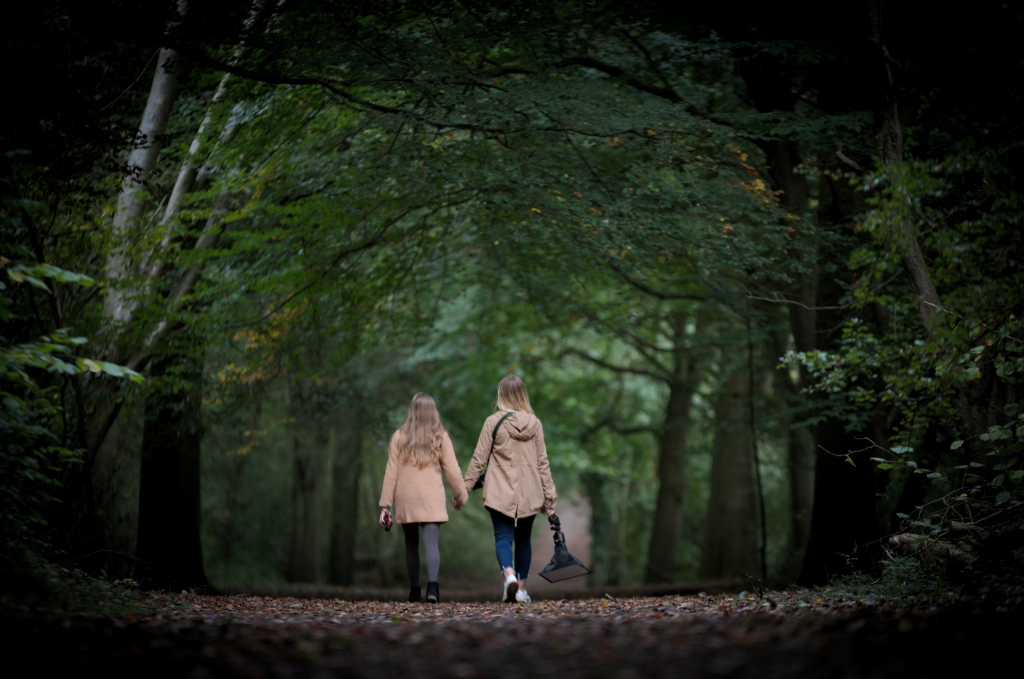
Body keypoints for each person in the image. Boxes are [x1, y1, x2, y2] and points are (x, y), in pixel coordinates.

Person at [464, 375, 557, 603]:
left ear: (501, 395)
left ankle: (509, 576)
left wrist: (463, 489)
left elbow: (478, 459)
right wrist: (550, 497)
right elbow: (543, 463)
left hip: (499, 490)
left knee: (503, 537)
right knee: (524, 540)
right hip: (530, 492)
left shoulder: (493, 422)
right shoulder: (535, 424)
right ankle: (521, 591)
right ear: (523, 395)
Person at [379, 393, 468, 603]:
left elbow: (391, 472)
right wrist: (461, 495)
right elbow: (453, 471)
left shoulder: (399, 436)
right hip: (431, 496)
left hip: (407, 497)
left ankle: (414, 592)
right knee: (431, 544)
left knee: (411, 544)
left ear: (412, 411)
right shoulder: (440, 436)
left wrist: (385, 505)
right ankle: (433, 590)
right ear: (432, 412)